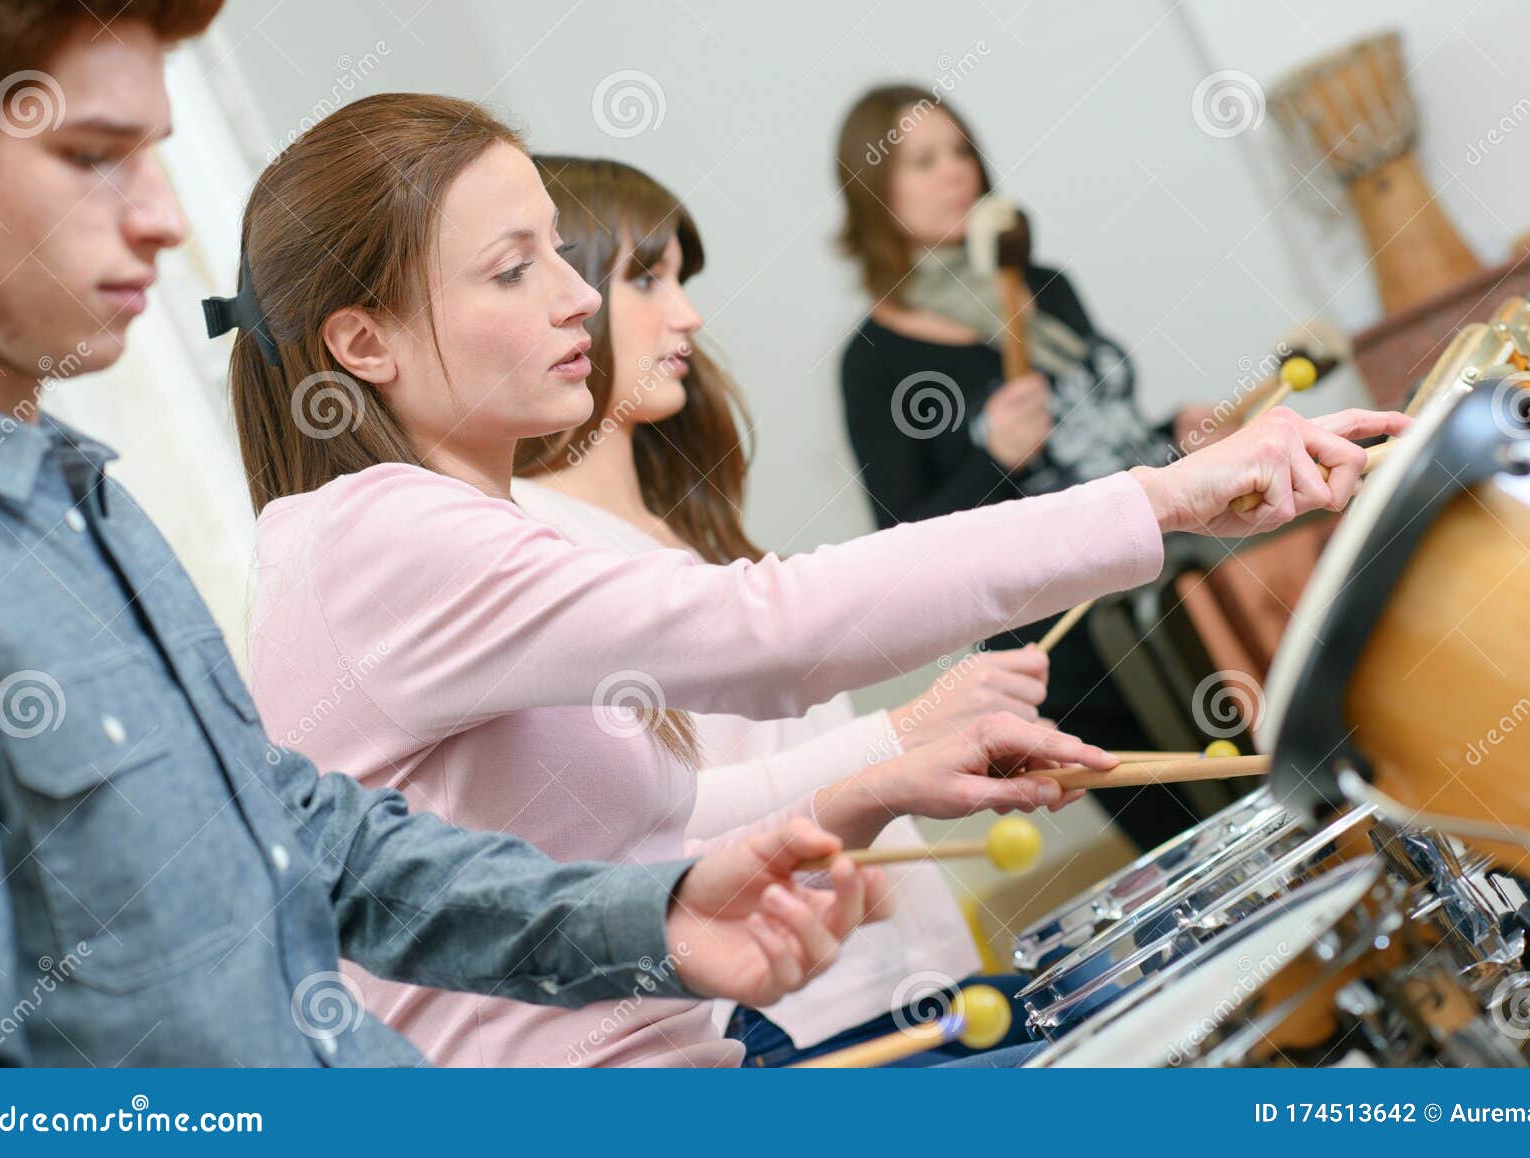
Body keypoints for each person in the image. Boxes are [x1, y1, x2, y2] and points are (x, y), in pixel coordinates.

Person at [222, 92, 1406, 1067]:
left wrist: (888, 757)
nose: (577, 295)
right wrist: (1170, 494)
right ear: (361, 344)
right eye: (511, 269)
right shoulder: (376, 539)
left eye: (560, 254)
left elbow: (649, 840)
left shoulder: (424, 532)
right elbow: (772, 625)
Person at [0, 0, 892, 1069]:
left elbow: (318, 845)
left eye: (154, 157)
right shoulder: (371, 532)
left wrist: (654, 923)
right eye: (93, 156)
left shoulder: (91, 506)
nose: (165, 221)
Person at [511, 154, 1054, 1065]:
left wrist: (921, 748)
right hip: (801, 1020)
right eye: (645, 277)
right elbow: (642, 828)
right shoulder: (540, 547)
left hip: (909, 978)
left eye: (681, 278)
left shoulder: (687, 521)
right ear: (563, 299)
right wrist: (903, 737)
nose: (685, 314)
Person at [835, 84, 1245, 849]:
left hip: (1177, 583)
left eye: (961, 151)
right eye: (924, 160)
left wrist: (1173, 439)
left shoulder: (1045, 289)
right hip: (1076, 647)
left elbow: (1098, 453)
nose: (956, 172)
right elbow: (900, 546)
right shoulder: (874, 360)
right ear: (874, 195)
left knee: (1288, 773)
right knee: (1202, 837)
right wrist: (992, 459)